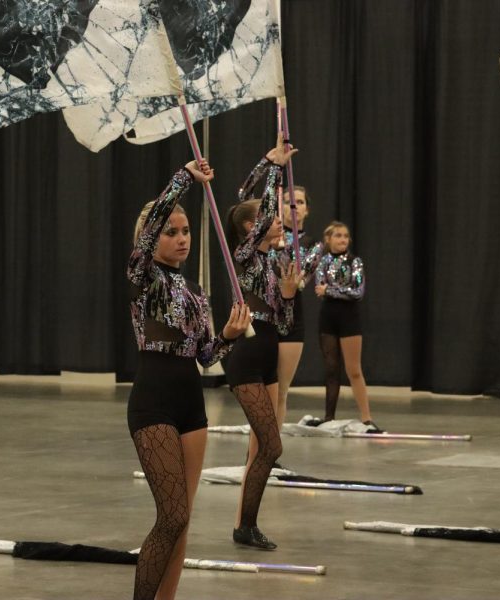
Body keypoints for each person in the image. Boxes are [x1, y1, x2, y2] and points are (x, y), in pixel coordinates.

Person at [127, 158, 251, 600]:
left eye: (185, 232)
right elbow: (153, 223)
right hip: (154, 401)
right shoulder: (143, 275)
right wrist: (184, 178)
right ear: (152, 237)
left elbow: (203, 357)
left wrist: (230, 337)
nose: (181, 239)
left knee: (184, 521)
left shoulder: (194, 293)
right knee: (171, 517)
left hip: (191, 405)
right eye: (171, 232)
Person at [223, 133, 299, 550]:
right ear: (252, 229)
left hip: (269, 350)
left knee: (265, 448)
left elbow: (284, 323)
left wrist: (288, 296)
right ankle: (244, 525)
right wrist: (272, 165)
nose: (280, 220)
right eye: (270, 218)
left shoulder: (273, 260)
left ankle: (247, 524)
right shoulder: (245, 256)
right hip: (248, 357)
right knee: (270, 444)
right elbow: (268, 205)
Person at [314, 221, 382, 431]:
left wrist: (331, 290)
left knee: (353, 369)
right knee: (331, 369)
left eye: (345, 236)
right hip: (328, 317)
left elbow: (358, 292)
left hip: (349, 317)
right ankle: (328, 417)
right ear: (328, 239)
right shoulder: (322, 261)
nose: (343, 239)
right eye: (338, 236)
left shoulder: (355, 262)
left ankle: (366, 417)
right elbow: (318, 288)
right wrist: (335, 290)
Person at [274, 186, 323, 428]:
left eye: (299, 202)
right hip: (266, 315)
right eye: (287, 201)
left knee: (281, 391)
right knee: (264, 391)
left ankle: (271, 451)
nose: (293, 206)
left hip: (292, 318)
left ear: (307, 209)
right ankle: (256, 450)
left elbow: (300, 281)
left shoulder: (314, 244)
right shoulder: (269, 237)